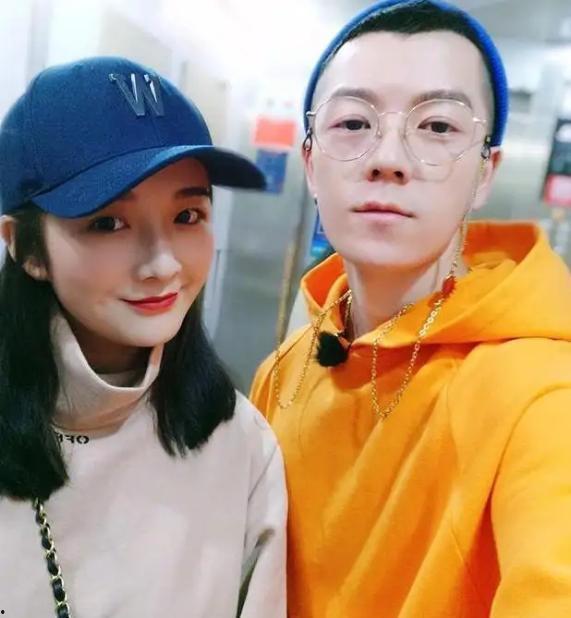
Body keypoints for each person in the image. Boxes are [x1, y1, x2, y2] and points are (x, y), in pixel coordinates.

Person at [250, 1, 571, 616]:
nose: (388, 158)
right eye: (353, 122)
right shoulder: (285, 370)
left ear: (485, 173)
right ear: (311, 163)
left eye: (438, 127)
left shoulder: (541, 396)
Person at [0, 56, 286, 618]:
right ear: (26, 247)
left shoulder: (240, 444)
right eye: (108, 222)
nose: (163, 265)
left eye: (188, 216)